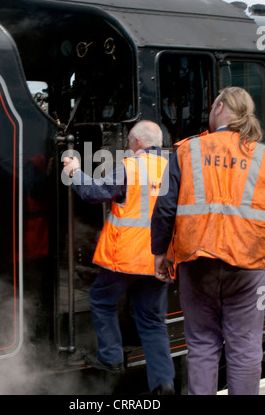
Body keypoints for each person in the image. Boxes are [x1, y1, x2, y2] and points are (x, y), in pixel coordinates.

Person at [151, 87, 265, 395]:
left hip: (197, 263)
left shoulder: (187, 151)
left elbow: (164, 207)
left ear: (219, 107)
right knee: (245, 347)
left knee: (202, 344)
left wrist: (160, 253)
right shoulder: (262, 155)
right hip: (249, 267)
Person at [63, 120, 175, 395]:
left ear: (136, 142)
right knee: (152, 321)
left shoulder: (131, 166)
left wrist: (74, 171)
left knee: (102, 300)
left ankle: (111, 358)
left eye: (129, 143)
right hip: (159, 260)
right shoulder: (175, 168)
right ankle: (164, 384)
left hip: (124, 258)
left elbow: (95, 193)